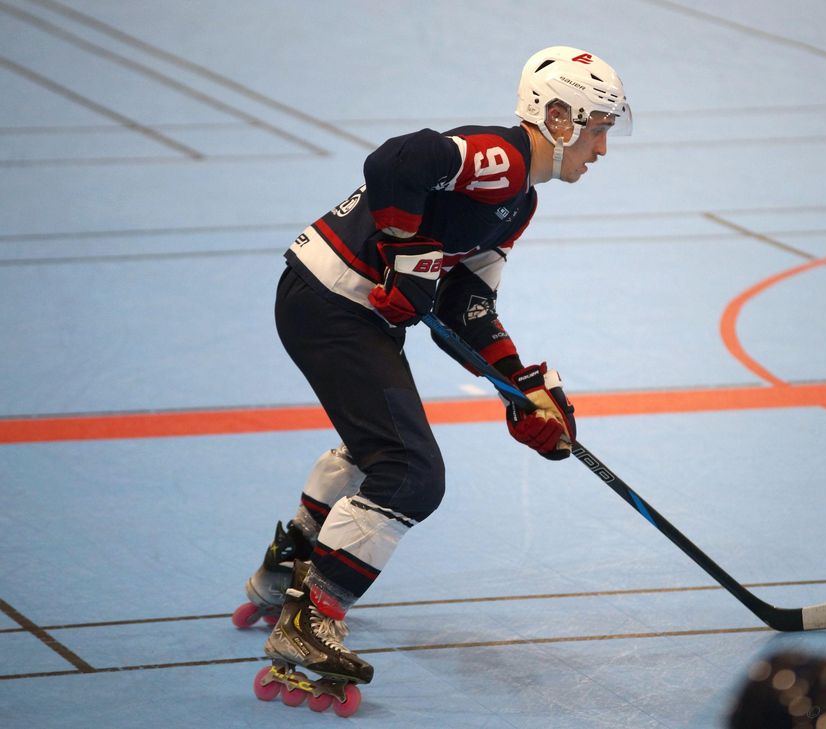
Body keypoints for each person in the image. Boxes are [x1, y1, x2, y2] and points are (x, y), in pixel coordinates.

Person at [235, 46, 632, 693]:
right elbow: (395, 162)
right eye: (597, 131)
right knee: (411, 473)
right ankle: (311, 617)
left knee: (382, 451)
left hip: (338, 306)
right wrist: (411, 250)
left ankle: (293, 562)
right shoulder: (501, 161)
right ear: (559, 119)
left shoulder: (520, 202)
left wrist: (520, 388)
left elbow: (465, 306)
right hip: (333, 302)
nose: (602, 149)